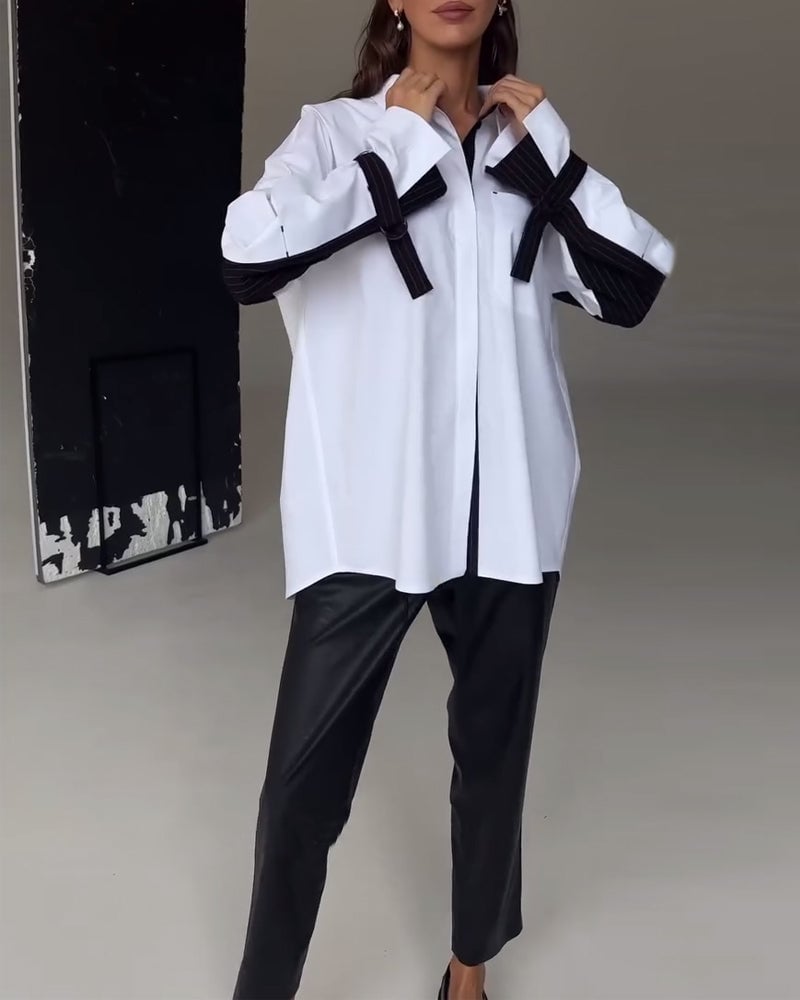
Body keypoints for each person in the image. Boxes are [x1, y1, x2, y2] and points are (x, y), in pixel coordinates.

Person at [221, 1, 674, 997]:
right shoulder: (336, 132)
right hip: (370, 511)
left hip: (507, 506)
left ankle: (468, 970)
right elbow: (247, 257)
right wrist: (393, 142)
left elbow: (634, 284)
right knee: (301, 788)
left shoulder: (524, 150)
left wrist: (551, 158)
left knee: (494, 757)